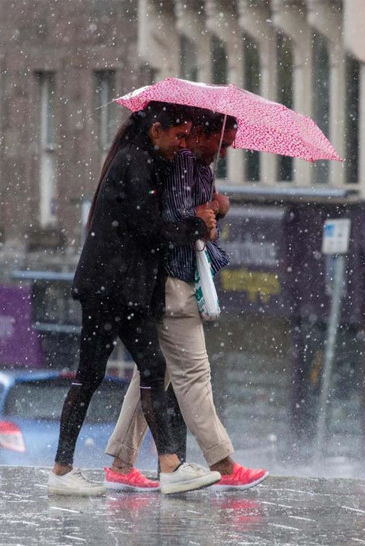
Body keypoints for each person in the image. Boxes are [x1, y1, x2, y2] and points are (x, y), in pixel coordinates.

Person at [48, 102, 222, 496]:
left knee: (148, 369)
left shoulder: (145, 160)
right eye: (178, 135)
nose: (182, 142)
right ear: (156, 129)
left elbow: (155, 217)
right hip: (111, 290)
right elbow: (148, 229)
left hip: (121, 289)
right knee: (94, 374)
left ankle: (168, 464)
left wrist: (207, 204)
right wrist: (196, 225)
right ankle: (63, 470)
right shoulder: (134, 162)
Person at [103, 108, 268, 492]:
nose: (223, 152)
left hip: (174, 280)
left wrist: (215, 207)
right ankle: (223, 463)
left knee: (151, 376)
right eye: (220, 143)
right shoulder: (182, 162)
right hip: (173, 282)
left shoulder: (194, 165)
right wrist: (203, 216)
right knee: (194, 375)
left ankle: (121, 463)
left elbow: (198, 213)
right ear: (201, 134)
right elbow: (175, 220)